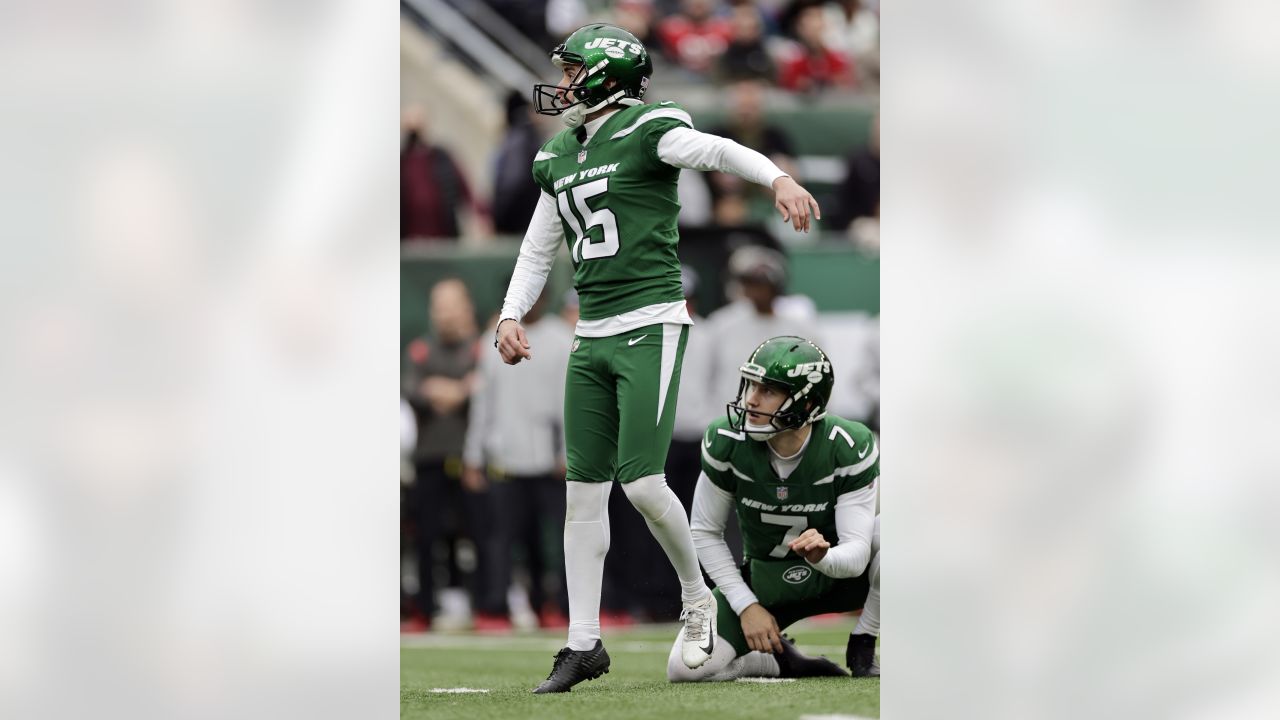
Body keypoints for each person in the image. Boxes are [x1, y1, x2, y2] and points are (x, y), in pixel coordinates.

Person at [494, 23, 822, 693]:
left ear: (606, 76)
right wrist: (508, 313)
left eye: (573, 71)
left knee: (641, 483)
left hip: (651, 324)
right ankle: (583, 643)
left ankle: (698, 597)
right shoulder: (559, 154)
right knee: (582, 495)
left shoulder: (649, 129)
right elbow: (538, 248)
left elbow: (718, 151)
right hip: (593, 333)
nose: (562, 85)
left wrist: (778, 177)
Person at [666, 335, 881, 682]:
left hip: (838, 580)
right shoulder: (728, 442)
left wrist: (822, 557)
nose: (751, 399)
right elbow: (705, 532)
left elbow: (857, 552)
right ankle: (777, 660)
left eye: (768, 390)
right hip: (766, 583)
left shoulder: (846, 446)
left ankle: (864, 640)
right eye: (750, 385)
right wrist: (746, 606)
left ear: (807, 402)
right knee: (683, 670)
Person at [463, 287, 573, 628]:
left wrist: (566, 452)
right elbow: (483, 403)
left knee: (558, 540)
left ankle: (560, 607)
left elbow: (569, 401)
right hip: (505, 462)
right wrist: (472, 455)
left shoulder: (560, 338)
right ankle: (496, 609)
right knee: (501, 541)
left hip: (550, 463)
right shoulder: (491, 339)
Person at [401, 279, 482, 628]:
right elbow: (414, 390)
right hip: (429, 457)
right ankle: (424, 607)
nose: (446, 313)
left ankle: (485, 604)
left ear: (466, 307)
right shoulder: (420, 351)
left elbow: (481, 388)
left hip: (471, 459)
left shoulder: (480, 349)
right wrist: (459, 391)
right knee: (427, 535)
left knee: (479, 532)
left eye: (452, 304)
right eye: (440, 305)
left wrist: (451, 391)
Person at [401, 106, 489, 240]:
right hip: (409, 241)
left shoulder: (441, 157)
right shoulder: (401, 161)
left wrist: (481, 215)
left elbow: (465, 188)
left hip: (442, 237)